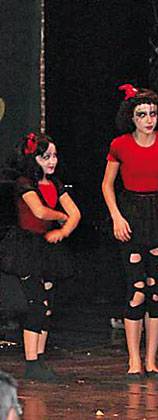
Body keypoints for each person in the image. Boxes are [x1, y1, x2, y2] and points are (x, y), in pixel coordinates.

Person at [101, 85, 158, 378]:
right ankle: (134, 358)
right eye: (142, 114)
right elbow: (107, 185)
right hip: (131, 214)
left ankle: (151, 359)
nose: (148, 120)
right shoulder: (120, 145)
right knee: (136, 290)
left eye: (152, 114)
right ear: (132, 118)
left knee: (156, 291)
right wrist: (116, 217)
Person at [0, 133, 81, 382]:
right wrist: (61, 217)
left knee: (47, 304)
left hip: (46, 247)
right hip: (26, 247)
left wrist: (64, 231)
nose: (52, 161)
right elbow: (39, 211)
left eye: (54, 156)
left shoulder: (55, 183)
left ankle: (40, 358)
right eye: (46, 157)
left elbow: (75, 213)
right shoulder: (25, 183)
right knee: (37, 303)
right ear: (33, 159)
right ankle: (31, 361)